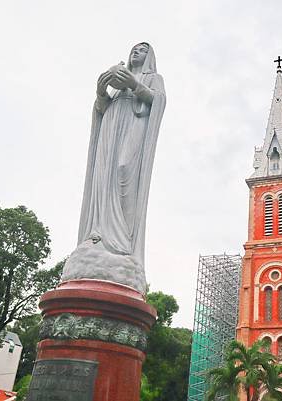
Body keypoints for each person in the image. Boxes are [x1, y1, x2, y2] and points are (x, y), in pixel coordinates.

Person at [61, 42, 166, 294]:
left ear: (150, 56)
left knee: (123, 170)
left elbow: (158, 102)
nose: (136, 52)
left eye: (142, 49)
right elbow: (101, 108)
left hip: (134, 126)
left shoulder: (154, 78)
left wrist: (133, 83)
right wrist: (101, 89)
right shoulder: (119, 78)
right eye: (134, 49)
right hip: (111, 127)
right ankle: (97, 235)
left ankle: (122, 242)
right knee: (104, 176)